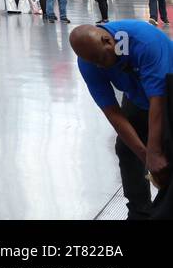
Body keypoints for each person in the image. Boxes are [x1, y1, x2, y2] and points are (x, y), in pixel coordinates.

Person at [71, 22, 173, 218]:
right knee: (127, 150)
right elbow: (112, 112)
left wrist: (154, 152)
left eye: (101, 59)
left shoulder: (144, 41)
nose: (100, 66)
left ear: (108, 40)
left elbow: (158, 100)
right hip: (138, 98)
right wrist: (146, 156)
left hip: (167, 94)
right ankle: (139, 211)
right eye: (94, 62)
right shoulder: (88, 60)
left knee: (167, 150)